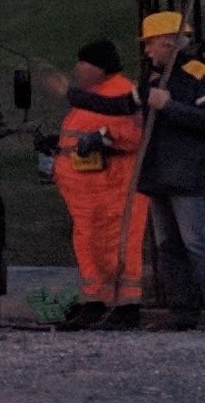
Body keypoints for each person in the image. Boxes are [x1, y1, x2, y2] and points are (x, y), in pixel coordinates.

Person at [134, 10, 205, 330]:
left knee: (197, 243)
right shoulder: (155, 81)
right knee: (168, 247)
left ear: (169, 44)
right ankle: (184, 312)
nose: (147, 51)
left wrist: (168, 106)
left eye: (150, 44)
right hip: (159, 176)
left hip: (189, 176)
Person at [47, 37, 145, 325]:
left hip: (112, 189)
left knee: (116, 245)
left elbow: (135, 136)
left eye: (83, 62)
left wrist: (102, 139)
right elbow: (81, 136)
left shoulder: (121, 92)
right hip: (89, 194)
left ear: (100, 67)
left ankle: (125, 306)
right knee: (90, 246)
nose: (77, 68)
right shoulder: (98, 94)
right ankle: (96, 302)